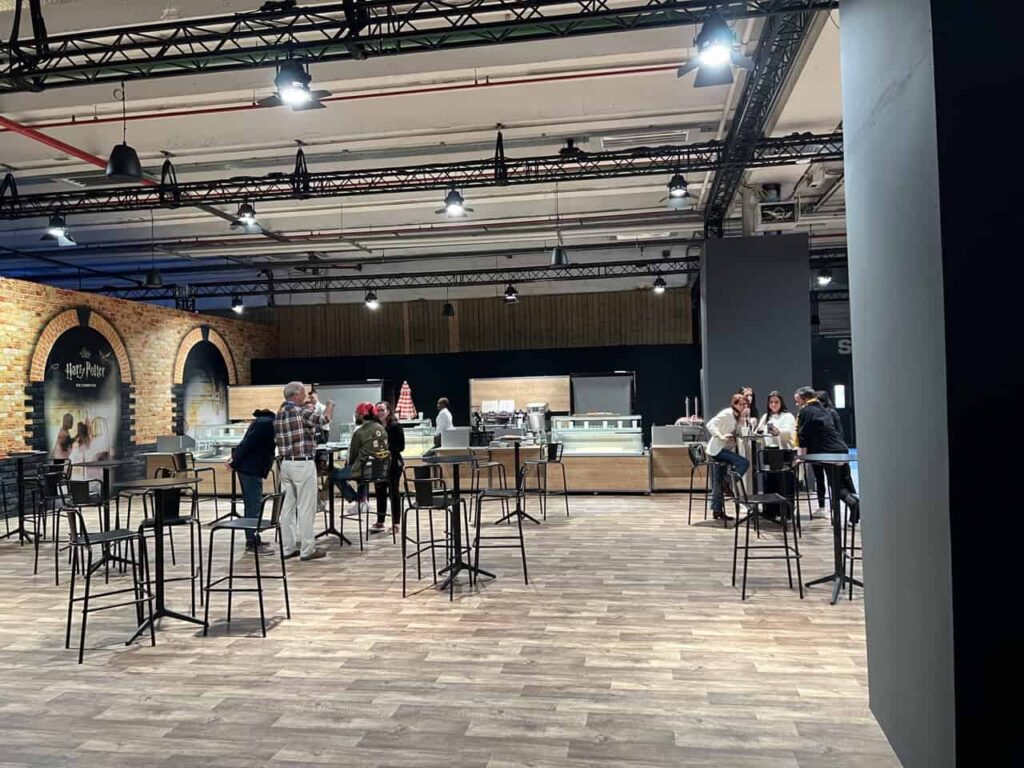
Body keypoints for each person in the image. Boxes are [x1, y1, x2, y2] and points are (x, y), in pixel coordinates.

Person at [274, 381, 334, 561]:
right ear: (296, 395)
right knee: (306, 507)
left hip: (285, 464)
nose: (306, 396)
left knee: (287, 509)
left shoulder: (279, 414)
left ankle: (287, 548)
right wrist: (330, 405)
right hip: (302, 464)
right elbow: (324, 420)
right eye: (303, 393)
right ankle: (308, 549)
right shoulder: (301, 412)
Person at [795, 386, 859, 520]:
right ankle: (854, 512)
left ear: (804, 399)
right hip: (840, 448)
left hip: (828, 451)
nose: (797, 403)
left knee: (836, 486)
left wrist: (801, 456)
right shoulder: (824, 409)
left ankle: (852, 503)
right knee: (844, 482)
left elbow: (803, 434)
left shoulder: (805, 411)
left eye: (798, 400)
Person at [226, 408, 276, 553]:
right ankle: (252, 542)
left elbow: (246, 443)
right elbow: (248, 444)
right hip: (251, 469)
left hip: (250, 468)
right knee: (253, 506)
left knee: (253, 505)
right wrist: (234, 462)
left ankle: (255, 538)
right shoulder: (265, 423)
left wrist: (235, 460)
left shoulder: (261, 422)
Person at [333, 402, 389, 519]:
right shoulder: (381, 428)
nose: (355, 415)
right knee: (362, 474)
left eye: (357, 413)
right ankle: (362, 501)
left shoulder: (359, 432)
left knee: (334, 475)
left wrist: (348, 466)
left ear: (362, 415)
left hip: (362, 470)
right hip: (379, 471)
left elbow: (352, 455)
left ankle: (358, 499)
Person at [705, 392, 752, 521]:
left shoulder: (738, 416)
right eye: (740, 404)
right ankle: (728, 483)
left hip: (724, 449)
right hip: (717, 450)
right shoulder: (727, 413)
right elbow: (710, 424)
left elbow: (740, 431)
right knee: (743, 463)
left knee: (718, 481)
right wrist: (720, 435)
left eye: (745, 404)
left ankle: (717, 510)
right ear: (734, 404)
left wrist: (743, 419)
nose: (743, 406)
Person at [371, 400, 404, 535]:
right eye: (377, 410)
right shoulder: (374, 427)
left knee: (393, 492)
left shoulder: (395, 426)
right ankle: (380, 521)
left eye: (382, 410)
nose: (379, 413)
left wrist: (386, 449)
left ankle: (396, 523)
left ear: (388, 411)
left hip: (393, 463)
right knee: (379, 491)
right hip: (378, 462)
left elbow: (401, 446)